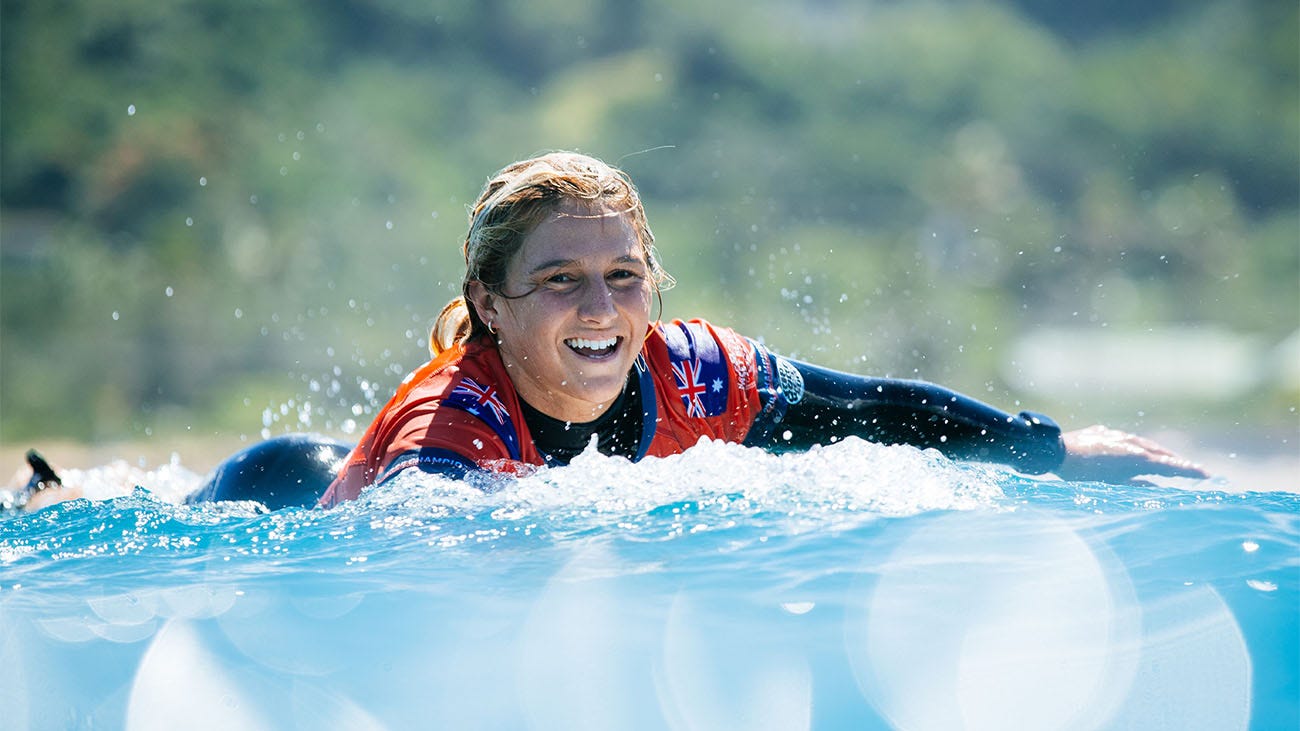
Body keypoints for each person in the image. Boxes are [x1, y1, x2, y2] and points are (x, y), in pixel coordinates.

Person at [318, 151, 1206, 508]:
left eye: (623, 277)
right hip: (279, 489)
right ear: (488, 304)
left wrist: (1049, 448)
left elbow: (878, 412)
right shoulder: (453, 431)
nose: (600, 309)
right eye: (559, 280)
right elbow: (415, 582)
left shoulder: (695, 376)